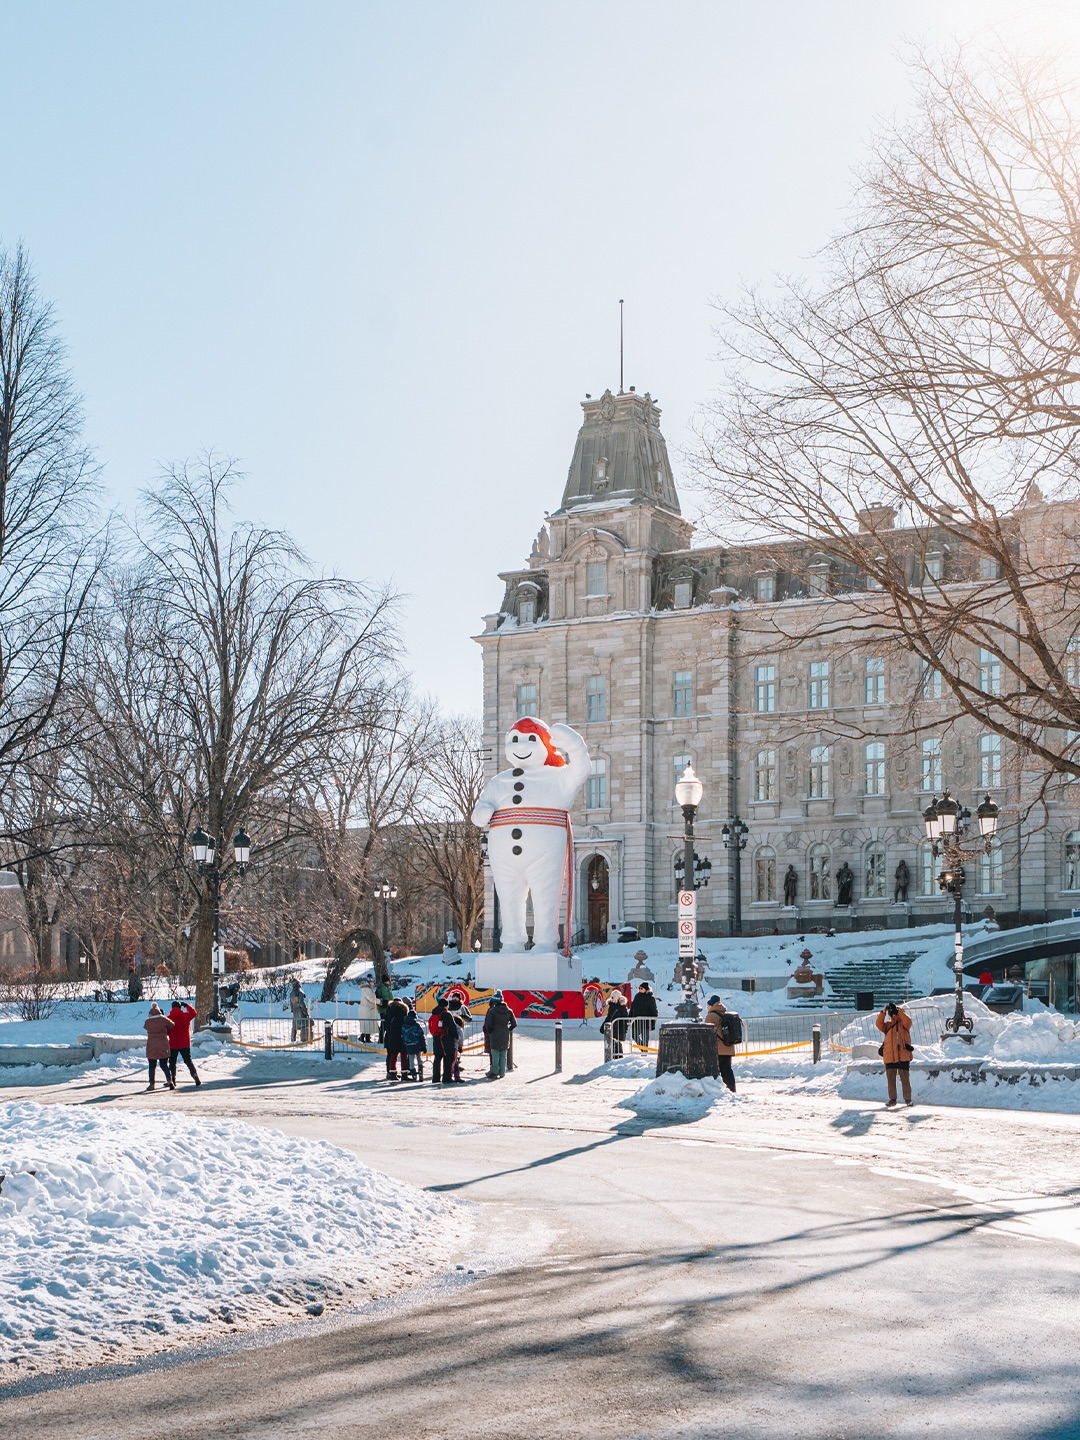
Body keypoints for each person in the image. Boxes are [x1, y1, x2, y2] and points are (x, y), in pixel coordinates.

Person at [876, 1001, 914, 1107]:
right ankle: (892, 1099)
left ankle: (908, 1099)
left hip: (903, 1055)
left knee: (905, 1079)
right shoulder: (888, 1025)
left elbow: (908, 1021)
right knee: (891, 1079)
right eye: (891, 1013)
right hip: (890, 1055)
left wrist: (898, 1012)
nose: (892, 1014)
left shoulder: (904, 1024)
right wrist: (883, 1012)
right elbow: (879, 1024)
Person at [704, 995, 738, 1093]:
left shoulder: (711, 1016)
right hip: (728, 1047)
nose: (707, 1008)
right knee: (727, 1070)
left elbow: (706, 1032)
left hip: (718, 1049)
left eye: (707, 1006)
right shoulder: (724, 1013)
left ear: (711, 1005)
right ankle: (732, 1089)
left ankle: (720, 1091)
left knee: (716, 1071)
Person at [166, 999, 201, 1087]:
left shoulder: (168, 1018)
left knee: (172, 1062)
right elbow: (194, 1013)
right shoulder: (185, 1016)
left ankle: (173, 1079)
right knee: (188, 1061)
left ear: (172, 1008)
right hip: (184, 1043)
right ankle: (195, 1076)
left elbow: (166, 1031)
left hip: (173, 1043)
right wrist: (186, 1005)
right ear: (180, 1007)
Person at [483, 991, 517, 1079]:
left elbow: (488, 1024)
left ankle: (494, 1072)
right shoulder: (509, 1011)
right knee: (503, 1054)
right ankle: (502, 1072)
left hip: (495, 1034)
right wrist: (508, 1029)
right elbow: (514, 1024)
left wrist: (490, 1031)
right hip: (505, 1034)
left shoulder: (492, 1011)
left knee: (495, 1054)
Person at [143, 1003, 175, 1091]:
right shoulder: (164, 1019)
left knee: (152, 1066)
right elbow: (172, 1024)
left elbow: (145, 1027)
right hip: (163, 1044)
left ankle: (152, 1084)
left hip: (151, 1045)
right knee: (164, 1064)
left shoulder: (148, 1021)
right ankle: (169, 1081)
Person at [382, 996, 410, 1080]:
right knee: (404, 1055)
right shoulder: (403, 1009)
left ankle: (392, 1073)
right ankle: (404, 1073)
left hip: (391, 1035)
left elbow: (386, 1024)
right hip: (402, 1034)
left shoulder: (389, 1010)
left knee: (392, 1055)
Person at [429, 997, 456, 1085]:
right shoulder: (447, 1014)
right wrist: (456, 1036)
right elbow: (452, 1026)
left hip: (436, 1038)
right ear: (446, 1006)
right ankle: (446, 1078)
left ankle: (435, 1078)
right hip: (446, 1039)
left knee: (437, 1059)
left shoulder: (434, 1013)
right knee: (447, 1058)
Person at [446, 993, 472, 1081]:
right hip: (449, 1029)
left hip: (459, 1028)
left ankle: (457, 1063)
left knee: (458, 1047)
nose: (455, 999)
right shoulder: (448, 1006)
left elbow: (469, 1018)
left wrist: (463, 1017)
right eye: (454, 997)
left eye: (456, 997)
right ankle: (452, 1065)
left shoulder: (462, 1007)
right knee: (451, 1047)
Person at [400, 1003, 428, 1081]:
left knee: (411, 1061)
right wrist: (424, 1046)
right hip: (417, 1045)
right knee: (419, 1059)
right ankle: (420, 1073)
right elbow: (421, 1036)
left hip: (408, 1045)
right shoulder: (416, 1025)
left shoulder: (404, 1026)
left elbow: (402, 1036)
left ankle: (413, 1075)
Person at [601, 987, 630, 1057]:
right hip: (612, 1028)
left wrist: (624, 1029)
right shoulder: (611, 1006)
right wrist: (603, 1026)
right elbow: (609, 1017)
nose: (612, 999)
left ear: (617, 997)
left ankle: (619, 1058)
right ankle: (614, 1057)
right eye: (611, 997)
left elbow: (625, 1018)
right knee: (612, 1044)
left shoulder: (622, 1006)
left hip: (619, 1029)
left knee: (618, 1044)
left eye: (613, 997)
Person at [629, 981, 658, 1049]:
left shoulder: (650, 998)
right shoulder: (637, 996)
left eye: (641, 988)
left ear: (646, 989)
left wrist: (653, 1022)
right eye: (639, 988)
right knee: (634, 1035)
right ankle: (643, 1048)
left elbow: (653, 1010)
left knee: (645, 1038)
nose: (640, 989)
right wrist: (630, 1018)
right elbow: (632, 1008)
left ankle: (644, 1050)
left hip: (646, 1021)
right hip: (636, 1020)